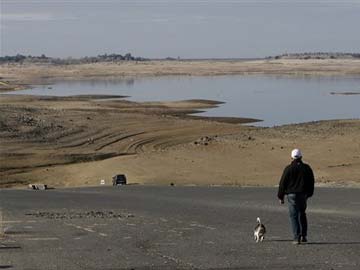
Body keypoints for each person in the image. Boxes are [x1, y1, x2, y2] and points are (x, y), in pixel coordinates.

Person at [278, 148, 315, 245]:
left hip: (292, 195)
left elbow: (282, 183)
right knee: (302, 214)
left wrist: (280, 196)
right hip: (303, 195)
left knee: (294, 216)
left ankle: (296, 237)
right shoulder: (306, 168)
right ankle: (303, 236)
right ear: (301, 156)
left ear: (291, 157)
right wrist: (309, 193)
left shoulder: (288, 168)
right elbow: (311, 181)